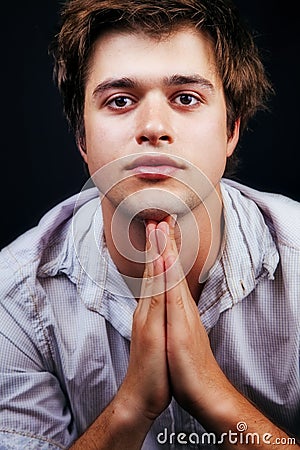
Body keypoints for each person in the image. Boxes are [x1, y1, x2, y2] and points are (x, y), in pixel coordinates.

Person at [0, 0, 299, 448]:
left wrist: (213, 395)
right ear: (82, 138)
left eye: (185, 98)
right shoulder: (15, 298)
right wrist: (133, 406)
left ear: (231, 128)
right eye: (120, 100)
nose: (154, 127)